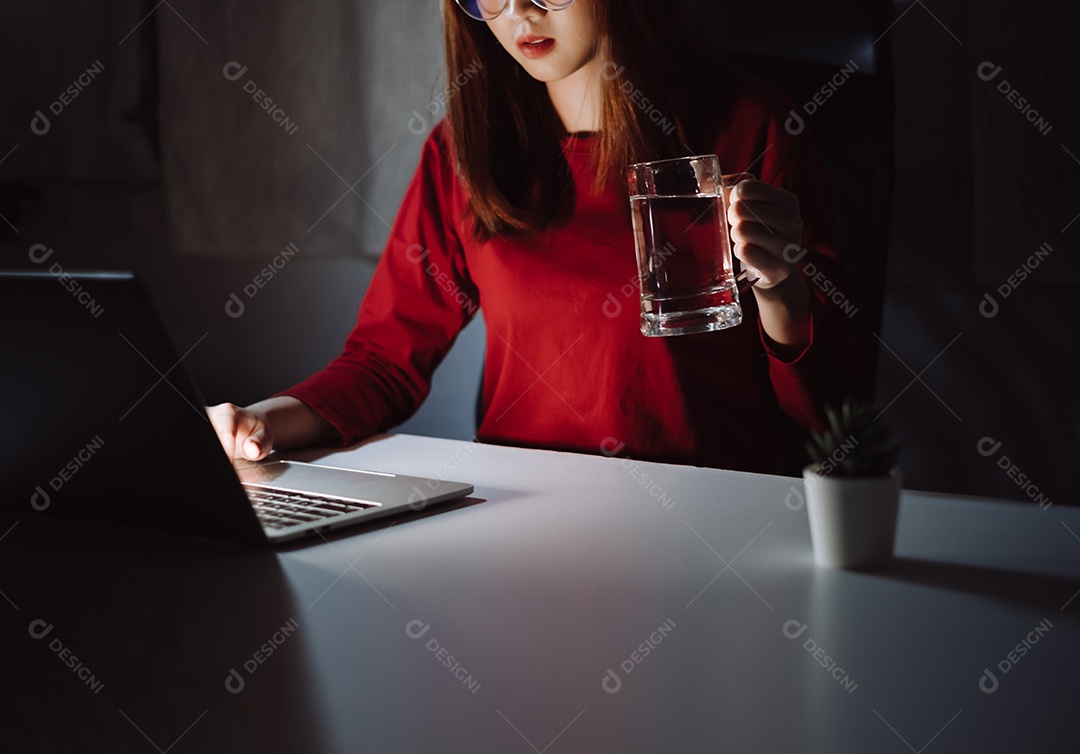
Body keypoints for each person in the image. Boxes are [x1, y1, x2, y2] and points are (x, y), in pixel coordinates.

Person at [209, 0, 860, 474]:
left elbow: (831, 408)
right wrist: (259, 422)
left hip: (707, 519)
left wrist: (780, 288)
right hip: (522, 517)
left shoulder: (750, 128)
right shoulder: (466, 153)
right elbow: (384, 361)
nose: (518, 10)